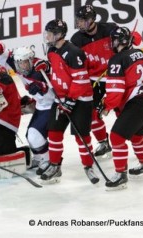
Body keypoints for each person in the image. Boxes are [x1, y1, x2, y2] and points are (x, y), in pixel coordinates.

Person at [39, 19, 99, 184]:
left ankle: (88, 166)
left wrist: (71, 100)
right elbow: (57, 71)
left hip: (80, 100)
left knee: (82, 136)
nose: (48, 36)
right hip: (61, 99)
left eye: (50, 33)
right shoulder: (51, 50)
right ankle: (55, 165)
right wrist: (45, 66)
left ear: (59, 35)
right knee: (54, 132)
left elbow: (80, 80)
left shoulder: (74, 52)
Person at [97, 26, 143, 190]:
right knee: (136, 135)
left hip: (138, 103)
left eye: (114, 40)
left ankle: (120, 175)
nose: (112, 43)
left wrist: (105, 105)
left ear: (119, 41)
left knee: (117, 137)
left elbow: (116, 91)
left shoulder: (117, 60)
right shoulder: (139, 53)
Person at [0, 43, 54, 175]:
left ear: (31, 60)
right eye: (20, 63)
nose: (23, 66)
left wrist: (43, 87)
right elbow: (5, 57)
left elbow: (50, 69)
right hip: (41, 105)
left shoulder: (38, 69)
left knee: (35, 136)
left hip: (52, 104)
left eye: (26, 63)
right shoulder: (17, 63)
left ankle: (49, 161)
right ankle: (38, 157)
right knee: (30, 134)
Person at [70, 5, 118, 159]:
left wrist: (132, 38)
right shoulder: (76, 39)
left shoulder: (110, 29)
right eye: (78, 20)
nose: (80, 23)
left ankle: (131, 139)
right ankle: (104, 142)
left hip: (116, 78)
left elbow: (125, 44)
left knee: (122, 111)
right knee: (92, 114)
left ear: (92, 20)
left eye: (83, 20)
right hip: (94, 81)